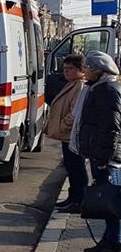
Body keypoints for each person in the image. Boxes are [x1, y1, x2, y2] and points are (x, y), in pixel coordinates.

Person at [76, 51, 121, 252]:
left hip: (108, 159)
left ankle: (114, 247)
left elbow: (111, 128)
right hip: (101, 155)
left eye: (88, 68)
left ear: (99, 70)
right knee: (107, 203)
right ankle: (107, 241)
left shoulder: (108, 91)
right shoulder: (100, 88)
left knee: (112, 203)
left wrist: (103, 158)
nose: (84, 71)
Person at [46, 54, 87, 213]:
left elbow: (75, 111)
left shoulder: (80, 86)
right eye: (64, 69)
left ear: (80, 70)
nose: (66, 72)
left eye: (70, 69)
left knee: (76, 167)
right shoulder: (72, 83)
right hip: (67, 136)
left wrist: (63, 126)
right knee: (70, 167)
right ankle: (73, 198)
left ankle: (79, 200)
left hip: (71, 135)